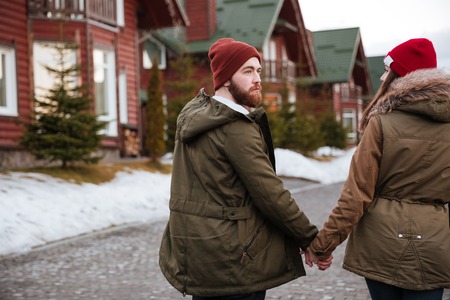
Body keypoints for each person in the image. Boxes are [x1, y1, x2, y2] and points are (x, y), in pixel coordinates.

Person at [159, 37, 331, 300]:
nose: (257, 79)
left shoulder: (197, 115)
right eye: (247, 71)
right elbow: (271, 195)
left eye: (258, 71)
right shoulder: (235, 128)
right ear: (225, 78)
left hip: (203, 259)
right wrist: (309, 239)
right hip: (233, 262)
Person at [305, 38, 450, 299]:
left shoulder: (381, 123)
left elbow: (356, 195)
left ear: (401, 75)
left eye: (387, 69)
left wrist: (322, 245)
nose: (382, 76)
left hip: (382, 245)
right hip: (434, 245)